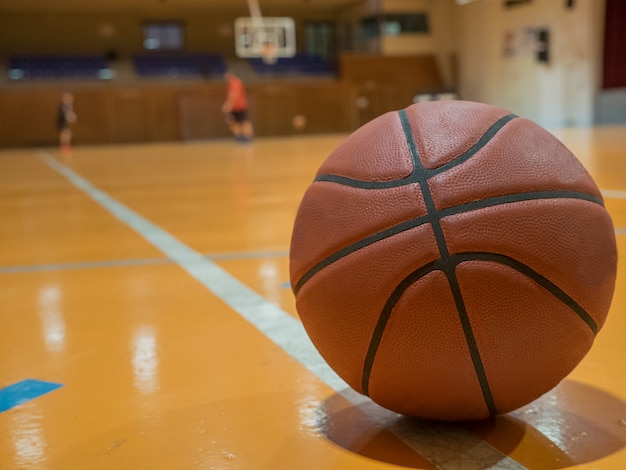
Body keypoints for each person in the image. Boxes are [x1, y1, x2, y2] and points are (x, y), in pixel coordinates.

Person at [222, 71, 254, 143]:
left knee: (243, 121)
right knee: (234, 122)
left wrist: (229, 104)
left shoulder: (235, 82)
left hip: (240, 106)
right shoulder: (231, 83)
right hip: (234, 107)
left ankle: (247, 137)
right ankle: (239, 137)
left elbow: (234, 93)